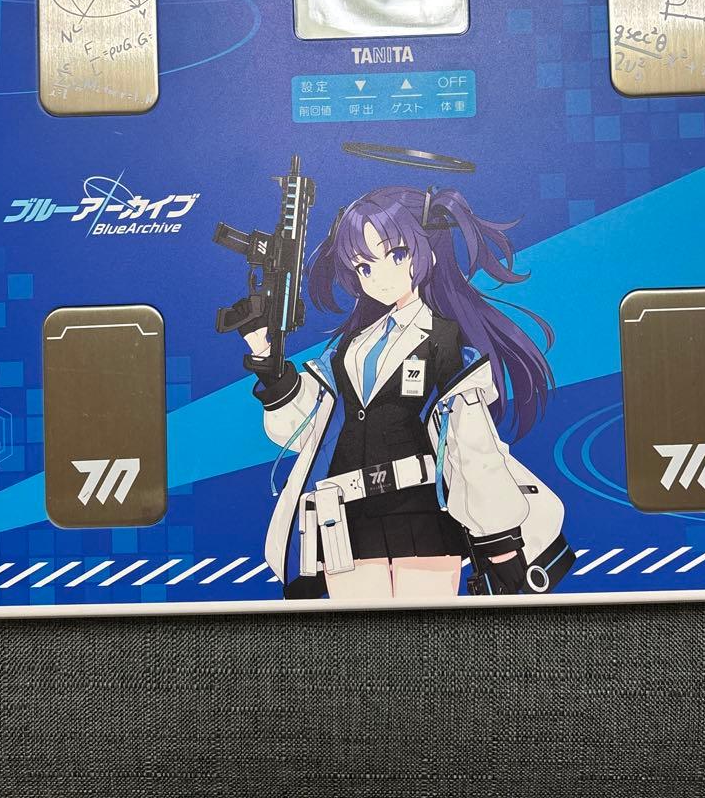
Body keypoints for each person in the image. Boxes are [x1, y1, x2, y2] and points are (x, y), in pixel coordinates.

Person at [243, 184, 572, 600]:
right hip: (345, 518)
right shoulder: (349, 348)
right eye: (364, 267)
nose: (379, 276)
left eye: (396, 255)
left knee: (427, 629)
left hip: (422, 512)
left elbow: (471, 444)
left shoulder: (444, 341)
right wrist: (268, 362)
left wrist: (500, 540)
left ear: (427, 254)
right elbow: (309, 428)